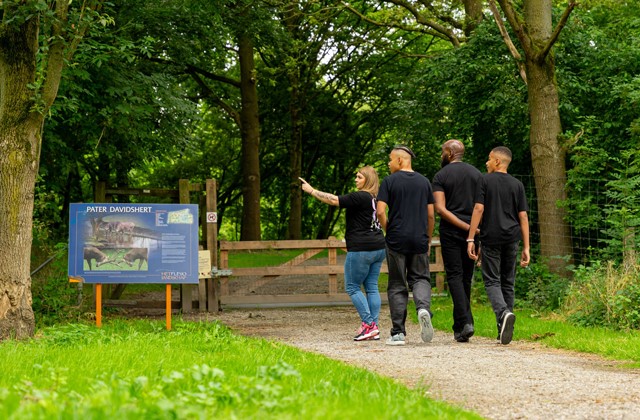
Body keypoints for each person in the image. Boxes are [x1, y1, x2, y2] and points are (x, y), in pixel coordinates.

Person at [300, 166, 386, 341]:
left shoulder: (360, 196)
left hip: (361, 248)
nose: (356, 179)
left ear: (367, 180)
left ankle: (369, 324)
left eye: (359, 177)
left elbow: (333, 200)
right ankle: (373, 328)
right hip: (378, 246)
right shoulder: (375, 198)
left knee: (352, 287)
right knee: (371, 287)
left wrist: (311, 191)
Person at [467, 146, 530, 345]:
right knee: (508, 281)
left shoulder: (484, 181)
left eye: (489, 159)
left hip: (491, 237)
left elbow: (478, 208)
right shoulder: (517, 184)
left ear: (496, 162)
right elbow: (523, 216)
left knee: (492, 281)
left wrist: (470, 238)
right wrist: (526, 247)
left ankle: (503, 314)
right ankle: (502, 328)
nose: (486, 163)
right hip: (512, 237)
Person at [376, 145, 436, 346]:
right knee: (420, 278)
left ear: (401, 160)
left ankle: (398, 333)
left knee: (396, 284)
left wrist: (388, 230)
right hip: (419, 238)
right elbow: (430, 214)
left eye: (390, 160)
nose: (388, 163)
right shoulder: (424, 182)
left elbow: (380, 211)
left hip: (396, 239)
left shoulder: (389, 182)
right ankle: (423, 308)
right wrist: (427, 238)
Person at [432, 139, 482, 343]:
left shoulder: (440, 176)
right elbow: (481, 206)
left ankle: (466, 321)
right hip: (475, 231)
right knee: (466, 277)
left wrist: (463, 227)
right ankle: (459, 326)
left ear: (450, 154)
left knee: (454, 276)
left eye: (443, 151)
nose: (441, 155)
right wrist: (474, 230)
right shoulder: (477, 174)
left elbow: (441, 209)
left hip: (451, 232)